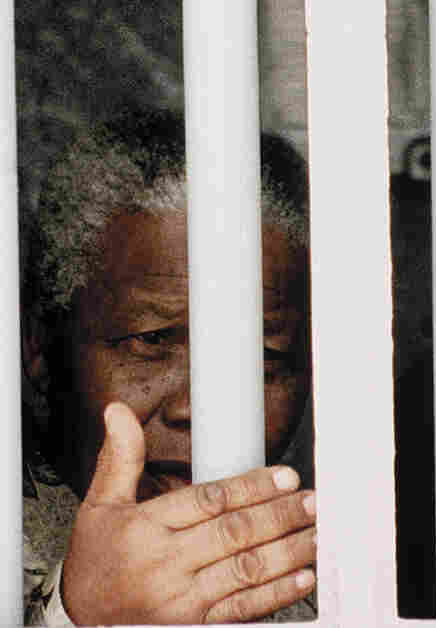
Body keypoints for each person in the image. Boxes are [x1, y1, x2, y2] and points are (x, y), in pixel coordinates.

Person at [21, 106, 317, 625]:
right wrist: (79, 616)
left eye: (263, 357)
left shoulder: (346, 577)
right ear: (41, 350)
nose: (199, 409)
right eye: (152, 340)